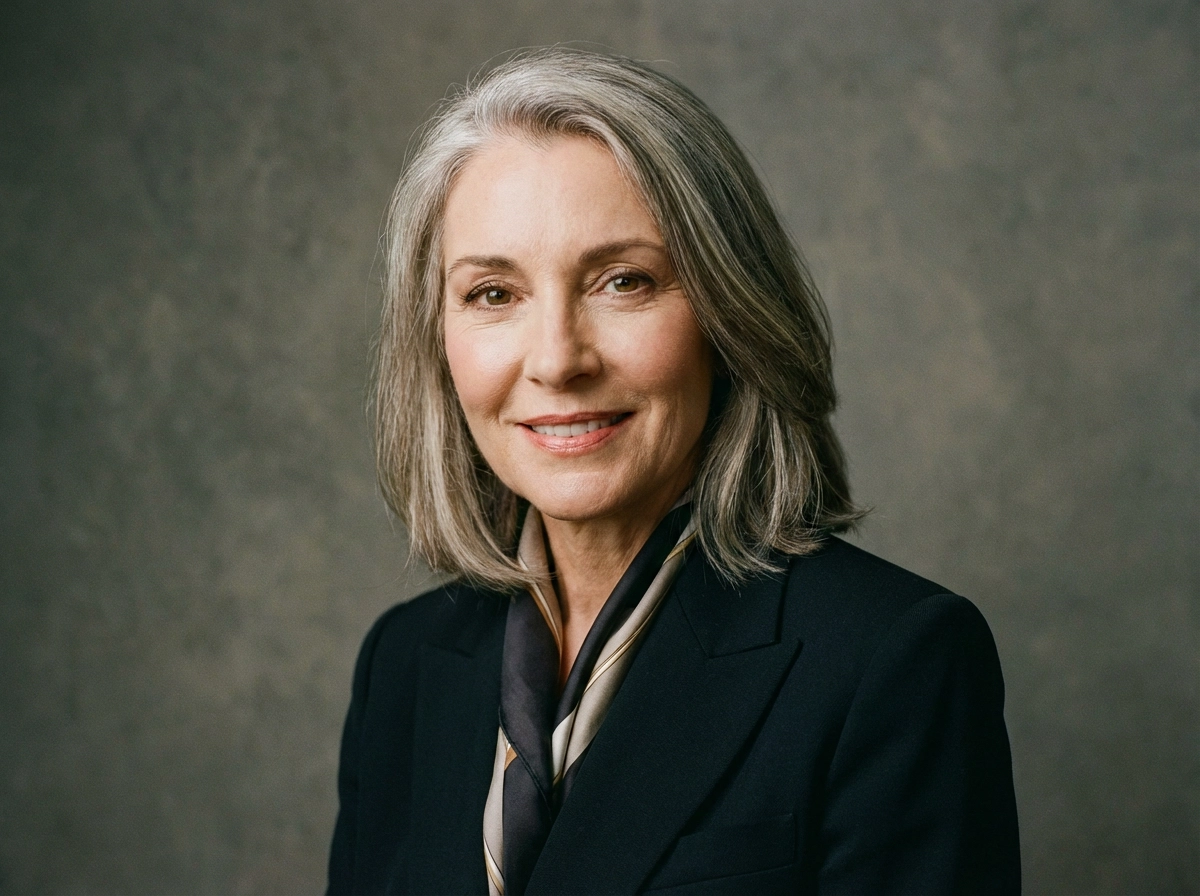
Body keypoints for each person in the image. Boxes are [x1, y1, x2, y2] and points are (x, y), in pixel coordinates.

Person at [328, 48, 1020, 895]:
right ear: (435, 341)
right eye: (494, 294)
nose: (556, 359)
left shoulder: (892, 659)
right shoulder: (404, 664)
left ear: (730, 314)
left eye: (624, 281)